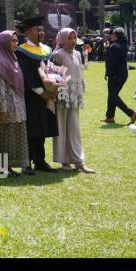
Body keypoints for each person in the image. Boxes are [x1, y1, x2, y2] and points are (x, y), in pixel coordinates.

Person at [16, 16, 59, 174]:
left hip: (48, 96)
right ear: (28, 32)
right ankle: (26, 162)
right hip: (32, 96)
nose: (41, 33)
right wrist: (41, 92)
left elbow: (53, 70)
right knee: (30, 128)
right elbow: (26, 75)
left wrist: (54, 89)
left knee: (42, 128)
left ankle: (40, 160)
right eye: (37, 30)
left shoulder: (47, 50)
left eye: (42, 30)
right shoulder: (22, 51)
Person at [53, 28, 94, 173]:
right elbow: (53, 78)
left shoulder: (77, 53)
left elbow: (80, 73)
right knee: (61, 128)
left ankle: (78, 161)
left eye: (74, 38)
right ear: (62, 39)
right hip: (62, 95)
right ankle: (64, 161)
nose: (72, 41)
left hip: (75, 95)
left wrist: (81, 89)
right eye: (69, 38)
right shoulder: (57, 55)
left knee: (74, 128)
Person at [0, 30, 29, 177]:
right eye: (12, 41)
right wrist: (2, 108)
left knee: (14, 136)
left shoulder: (13, 58)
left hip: (18, 105)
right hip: (6, 106)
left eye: (16, 40)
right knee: (4, 137)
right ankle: (2, 168)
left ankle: (10, 167)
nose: (16, 43)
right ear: (4, 43)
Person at [102, 27, 136, 125]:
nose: (110, 35)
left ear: (116, 36)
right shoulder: (123, 44)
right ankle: (110, 117)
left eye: (112, 34)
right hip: (122, 74)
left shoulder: (114, 46)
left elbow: (111, 63)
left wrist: (108, 74)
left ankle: (131, 113)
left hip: (115, 75)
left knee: (113, 96)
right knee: (112, 96)